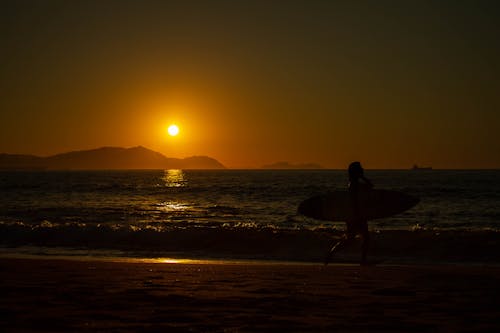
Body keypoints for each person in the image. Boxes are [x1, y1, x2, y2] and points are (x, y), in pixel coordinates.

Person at [325, 161, 373, 265]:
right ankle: (362, 261)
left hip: (354, 215)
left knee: (352, 239)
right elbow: (368, 188)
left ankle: (330, 254)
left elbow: (370, 187)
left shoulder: (353, 183)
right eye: (360, 168)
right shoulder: (354, 184)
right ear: (356, 172)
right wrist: (357, 216)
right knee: (363, 238)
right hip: (356, 215)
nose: (363, 169)